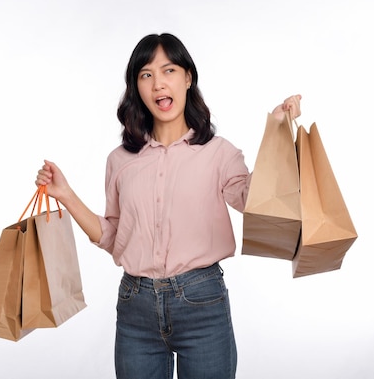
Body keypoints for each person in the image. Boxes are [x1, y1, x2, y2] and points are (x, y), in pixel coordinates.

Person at [35, 33, 301, 379]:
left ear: (188, 78)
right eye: (146, 75)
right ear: (137, 87)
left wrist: (279, 130)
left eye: (169, 70)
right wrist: (66, 194)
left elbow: (256, 202)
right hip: (135, 306)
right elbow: (115, 236)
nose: (158, 83)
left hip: (202, 301)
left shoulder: (218, 153)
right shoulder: (120, 160)